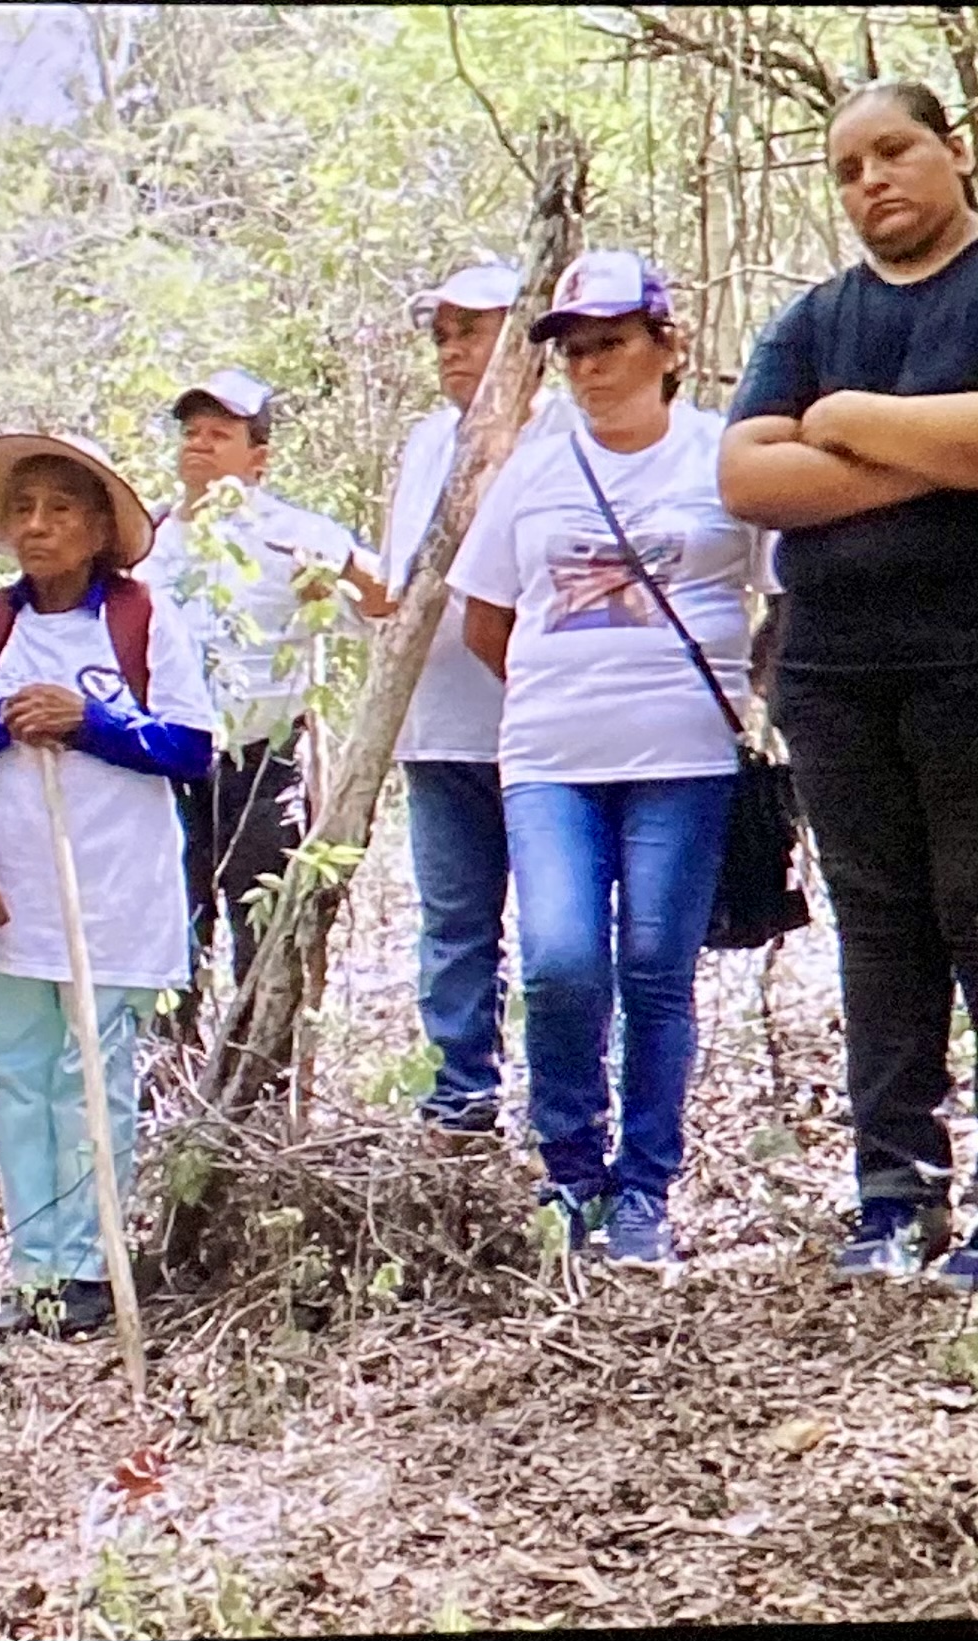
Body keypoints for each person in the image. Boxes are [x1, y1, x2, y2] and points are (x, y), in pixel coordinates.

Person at [450, 250, 767, 1269]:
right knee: (560, 961)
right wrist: (565, 690)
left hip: (684, 753)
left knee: (655, 970)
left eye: (613, 344)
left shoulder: (724, 457)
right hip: (550, 754)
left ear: (667, 346)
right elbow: (487, 618)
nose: (592, 368)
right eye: (576, 350)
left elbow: (784, 591)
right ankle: (570, 1176)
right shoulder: (533, 470)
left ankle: (644, 1192)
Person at [718, 79, 978, 1284]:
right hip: (832, 669)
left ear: (953, 151)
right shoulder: (813, 315)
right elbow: (747, 481)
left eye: (894, 152)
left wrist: (846, 419)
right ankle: (896, 1199)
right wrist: (933, 455)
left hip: (967, 661)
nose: (872, 180)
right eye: (847, 167)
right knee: (880, 926)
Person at [0, 434, 215, 1338]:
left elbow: (192, 745)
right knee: (20, 1074)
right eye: (23, 510)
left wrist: (90, 722)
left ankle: (93, 1263)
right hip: (16, 876)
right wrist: (5, 721)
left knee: (94, 1073)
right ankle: (34, 1269)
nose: (38, 526)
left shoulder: (141, 618)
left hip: (115, 881)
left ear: (99, 528)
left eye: (60, 509)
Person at [382, 264, 581, 1137]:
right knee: (455, 926)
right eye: (444, 334)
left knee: (558, 936)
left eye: (475, 329)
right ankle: (459, 1100)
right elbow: (407, 581)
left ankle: (568, 1106)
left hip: (543, 728)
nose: (456, 350)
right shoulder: (429, 441)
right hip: (437, 727)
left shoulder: (567, 435)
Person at [143, 370, 381, 1035]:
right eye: (191, 433)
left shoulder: (295, 534)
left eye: (220, 434)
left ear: (257, 457)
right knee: (173, 921)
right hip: (168, 758)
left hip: (263, 756)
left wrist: (338, 569)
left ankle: (257, 1079)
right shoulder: (148, 536)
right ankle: (171, 1072)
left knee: (263, 921)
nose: (200, 445)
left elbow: (382, 601)